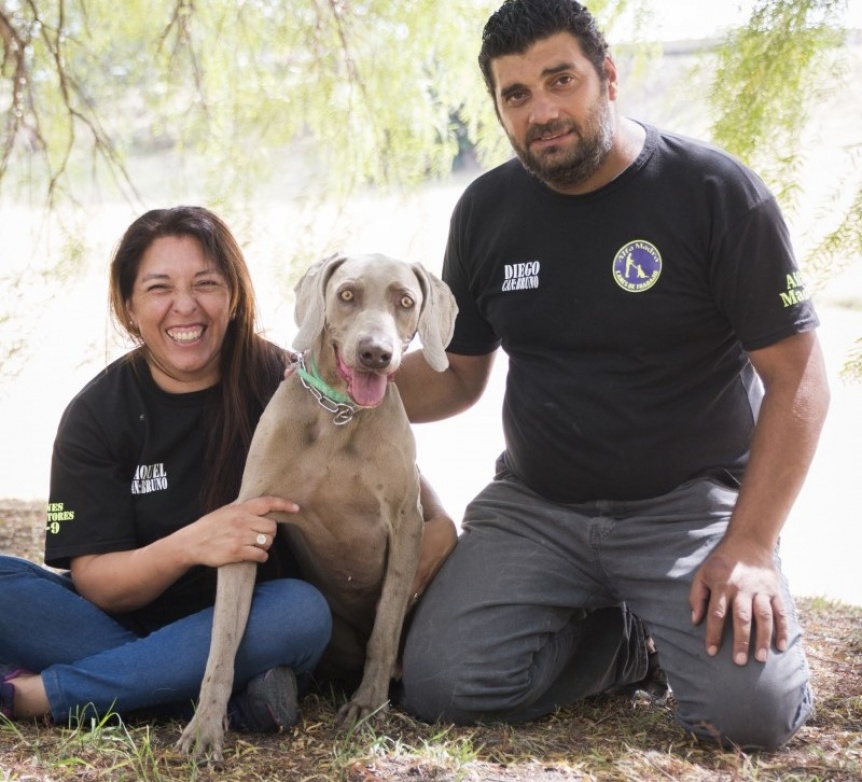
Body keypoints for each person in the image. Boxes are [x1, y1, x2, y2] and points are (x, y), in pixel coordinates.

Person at [395, 0, 830, 752]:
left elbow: (801, 382)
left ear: (609, 77)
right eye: (517, 95)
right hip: (537, 505)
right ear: (498, 108)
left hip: (687, 506)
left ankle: (673, 619)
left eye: (562, 80)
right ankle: (626, 642)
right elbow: (457, 377)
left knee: (747, 719)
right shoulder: (486, 211)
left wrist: (752, 546)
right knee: (444, 686)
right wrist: (336, 385)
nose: (543, 111)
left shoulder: (713, 192)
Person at [0, 205, 456, 729]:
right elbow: (97, 584)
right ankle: (214, 685)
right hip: (122, 619)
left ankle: (52, 693)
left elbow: (375, 452)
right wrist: (193, 543)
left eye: (205, 284)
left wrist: (436, 512)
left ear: (234, 295)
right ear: (127, 305)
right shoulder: (96, 415)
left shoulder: (284, 379)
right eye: (158, 288)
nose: (185, 307)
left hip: (256, 616)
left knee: (301, 612)